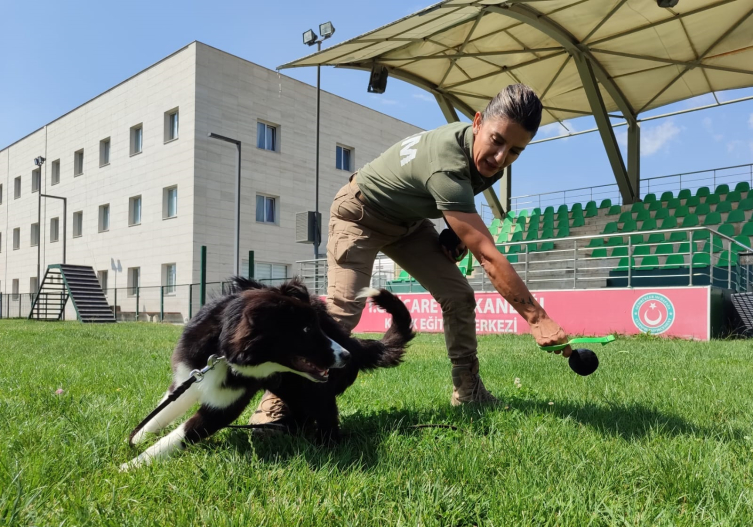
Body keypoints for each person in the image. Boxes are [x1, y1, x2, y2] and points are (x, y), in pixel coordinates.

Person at [250, 83, 571, 425]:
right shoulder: (446, 164)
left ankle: (468, 390)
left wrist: (452, 233)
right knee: (342, 312)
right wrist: (538, 318)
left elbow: (450, 202)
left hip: (407, 224)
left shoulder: (486, 161)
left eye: (515, 151)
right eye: (497, 140)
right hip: (359, 215)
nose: (500, 158)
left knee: (459, 295)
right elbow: (488, 256)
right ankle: (274, 405)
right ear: (477, 122)